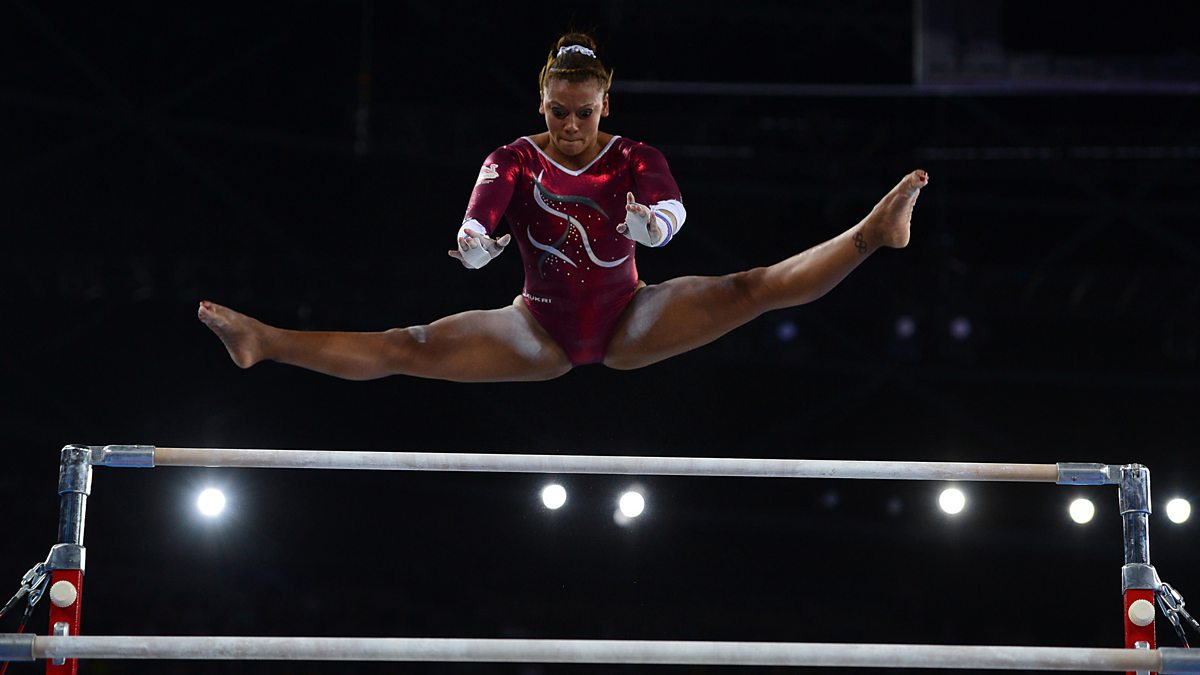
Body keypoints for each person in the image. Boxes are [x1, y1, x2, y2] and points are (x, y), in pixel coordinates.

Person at [198, 32, 927, 383]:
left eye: (584, 112)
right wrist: (475, 245)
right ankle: (266, 340)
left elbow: (671, 210)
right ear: (540, 103)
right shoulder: (513, 157)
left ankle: (870, 234)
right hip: (534, 328)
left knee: (749, 288)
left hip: (631, 316)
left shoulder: (634, 156)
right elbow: (481, 213)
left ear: (606, 103)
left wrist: (653, 227)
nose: (571, 127)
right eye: (558, 112)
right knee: (406, 345)